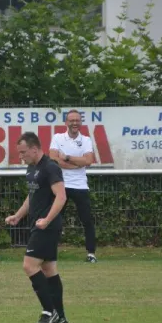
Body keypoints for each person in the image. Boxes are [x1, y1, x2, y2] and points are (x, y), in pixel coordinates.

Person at [5, 132, 68, 323]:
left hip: (47, 226)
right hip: (39, 225)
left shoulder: (50, 168)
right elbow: (32, 197)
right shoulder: (31, 169)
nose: (21, 156)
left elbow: (61, 196)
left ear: (35, 148)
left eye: (23, 152)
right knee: (49, 270)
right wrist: (18, 215)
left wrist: (47, 220)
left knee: (29, 265)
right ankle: (61, 318)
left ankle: (49, 312)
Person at [49, 109, 98, 263]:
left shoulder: (86, 140)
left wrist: (67, 158)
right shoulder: (57, 137)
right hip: (60, 185)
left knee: (87, 220)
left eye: (77, 120)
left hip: (80, 186)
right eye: (72, 120)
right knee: (54, 219)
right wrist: (76, 163)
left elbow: (88, 161)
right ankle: (49, 253)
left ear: (81, 123)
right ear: (66, 122)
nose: (75, 123)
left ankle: (91, 254)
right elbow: (52, 158)